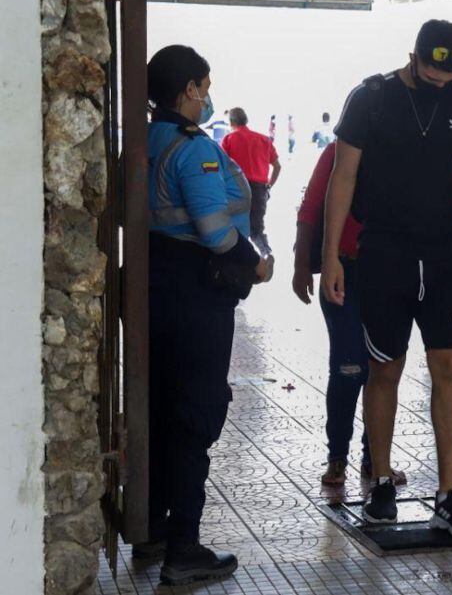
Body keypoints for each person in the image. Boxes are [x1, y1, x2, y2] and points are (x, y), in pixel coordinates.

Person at [321, 20, 452, 535]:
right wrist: (330, 257)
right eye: (433, 72)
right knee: (384, 369)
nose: (441, 81)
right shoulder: (370, 97)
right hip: (384, 253)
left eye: (450, 73)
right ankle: (383, 482)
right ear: (413, 56)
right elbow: (341, 178)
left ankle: (449, 493)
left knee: (450, 370)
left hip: (443, 256)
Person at [143, 44, 272, 585]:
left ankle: (148, 525)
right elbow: (216, 232)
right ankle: (184, 549)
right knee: (195, 413)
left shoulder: (145, 138)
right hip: (195, 294)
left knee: (157, 405)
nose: (208, 93)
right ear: (192, 89)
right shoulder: (194, 149)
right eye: (205, 83)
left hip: (154, 284)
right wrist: (258, 265)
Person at [292, 141, 407, 487]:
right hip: (344, 271)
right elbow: (310, 210)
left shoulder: (400, 152)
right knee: (347, 367)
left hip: (388, 275)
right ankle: (337, 457)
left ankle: (375, 459)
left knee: (382, 367)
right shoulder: (337, 152)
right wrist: (301, 267)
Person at [222, 107, 280, 257]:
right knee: (256, 230)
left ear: (231, 122)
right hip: (259, 190)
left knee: (235, 228)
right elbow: (277, 166)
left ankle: (240, 261)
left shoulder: (229, 139)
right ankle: (266, 255)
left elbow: (221, 167)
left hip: (236, 190)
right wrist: (269, 185)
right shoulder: (264, 140)